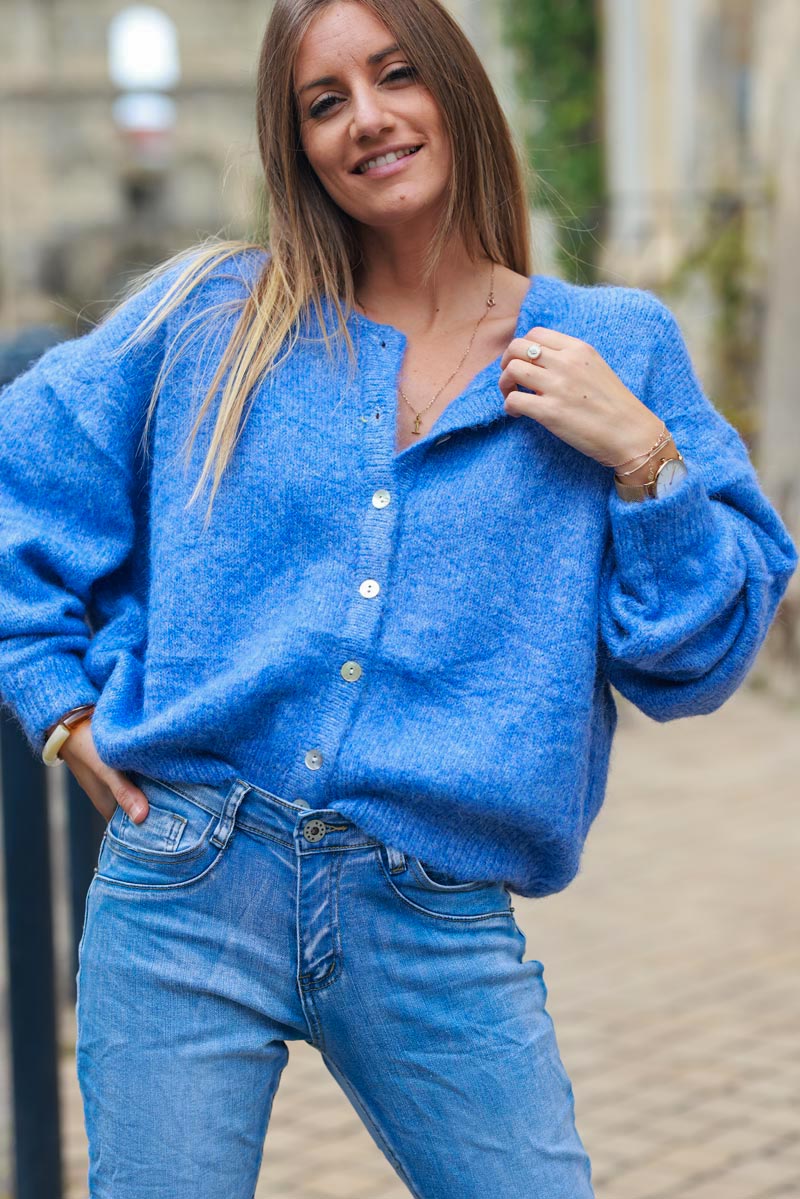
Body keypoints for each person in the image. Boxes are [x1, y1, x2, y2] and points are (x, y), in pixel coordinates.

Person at [0, 0, 797, 1195]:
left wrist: (643, 460)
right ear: (296, 143)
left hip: (433, 917)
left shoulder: (608, 344)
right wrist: (56, 699)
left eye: (394, 75)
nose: (366, 119)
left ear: (455, 90)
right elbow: (23, 476)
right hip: (186, 885)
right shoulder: (214, 321)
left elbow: (692, 662)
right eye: (324, 103)